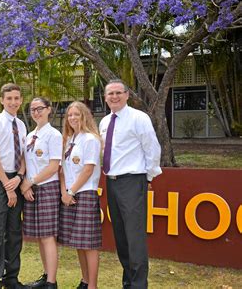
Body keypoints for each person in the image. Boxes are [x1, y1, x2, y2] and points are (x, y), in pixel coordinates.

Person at [99, 79, 162, 289]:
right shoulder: (105, 122)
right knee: (121, 236)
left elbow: (152, 148)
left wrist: (149, 177)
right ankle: (128, 282)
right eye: (110, 93)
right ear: (105, 97)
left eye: (118, 92)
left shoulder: (139, 118)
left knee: (135, 238)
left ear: (127, 95)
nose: (114, 97)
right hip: (112, 182)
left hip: (132, 181)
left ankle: (138, 285)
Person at [0, 83, 27, 289]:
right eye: (9, 98)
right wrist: (7, 186)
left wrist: (19, 177)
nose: (13, 102)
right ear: (2, 100)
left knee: (14, 231)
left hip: (15, 178)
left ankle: (11, 278)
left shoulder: (21, 125)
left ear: (21, 100)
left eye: (16, 98)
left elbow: (23, 155)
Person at [58, 101, 102, 289]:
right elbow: (62, 171)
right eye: (70, 115)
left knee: (89, 244)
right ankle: (84, 281)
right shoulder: (69, 140)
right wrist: (64, 192)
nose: (73, 118)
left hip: (84, 194)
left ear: (85, 116)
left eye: (77, 114)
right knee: (78, 242)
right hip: (69, 195)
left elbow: (88, 169)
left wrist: (71, 191)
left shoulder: (90, 139)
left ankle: (92, 285)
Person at [21, 97, 62, 289]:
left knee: (48, 236)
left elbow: (54, 166)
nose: (36, 112)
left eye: (40, 108)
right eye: (33, 109)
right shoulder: (29, 136)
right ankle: (45, 276)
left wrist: (31, 181)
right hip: (32, 189)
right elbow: (28, 164)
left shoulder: (53, 135)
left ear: (49, 110)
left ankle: (51, 282)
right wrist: (27, 185)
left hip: (47, 188)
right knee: (39, 235)